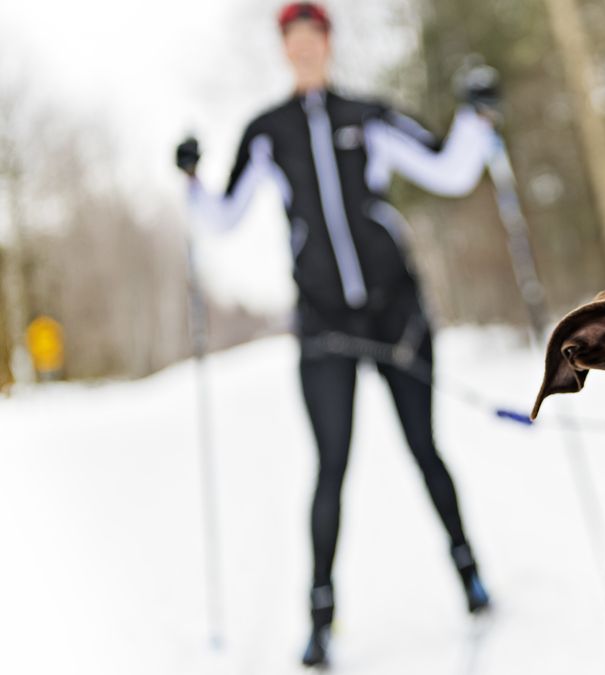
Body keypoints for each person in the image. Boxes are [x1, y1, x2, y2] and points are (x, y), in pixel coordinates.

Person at [174, 3, 498, 667]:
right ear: (283, 49)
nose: (303, 50)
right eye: (291, 40)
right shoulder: (268, 132)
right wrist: (189, 178)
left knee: (424, 447)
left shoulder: (368, 116)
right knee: (330, 467)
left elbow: (449, 166)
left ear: (327, 43)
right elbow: (222, 216)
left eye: (311, 38)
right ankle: (319, 618)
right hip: (324, 324)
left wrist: (476, 115)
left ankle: (469, 575)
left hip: (394, 312)